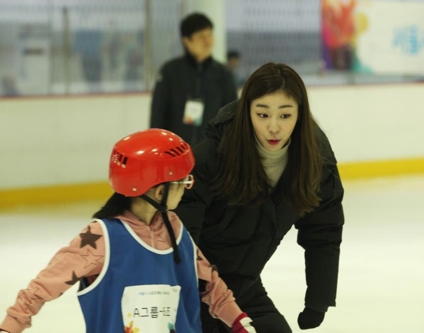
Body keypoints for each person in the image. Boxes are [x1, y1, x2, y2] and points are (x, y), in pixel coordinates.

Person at [0, 129, 256, 333]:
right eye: (182, 182)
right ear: (159, 191)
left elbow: (211, 286)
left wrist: (239, 323)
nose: (187, 187)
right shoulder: (101, 238)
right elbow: (42, 288)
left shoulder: (176, 229)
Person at [174, 62, 345, 332]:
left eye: (285, 115)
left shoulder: (316, 165)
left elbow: (324, 231)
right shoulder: (213, 157)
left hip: (246, 287)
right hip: (197, 289)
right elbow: (182, 236)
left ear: (300, 115)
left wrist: (318, 300)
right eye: (263, 115)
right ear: (247, 112)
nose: (274, 127)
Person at [150, 12, 238, 146]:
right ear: (187, 41)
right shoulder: (170, 72)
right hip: (175, 154)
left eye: (210, 35)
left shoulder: (223, 73)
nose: (208, 41)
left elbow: (233, 117)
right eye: (201, 36)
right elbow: (158, 115)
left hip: (212, 156)